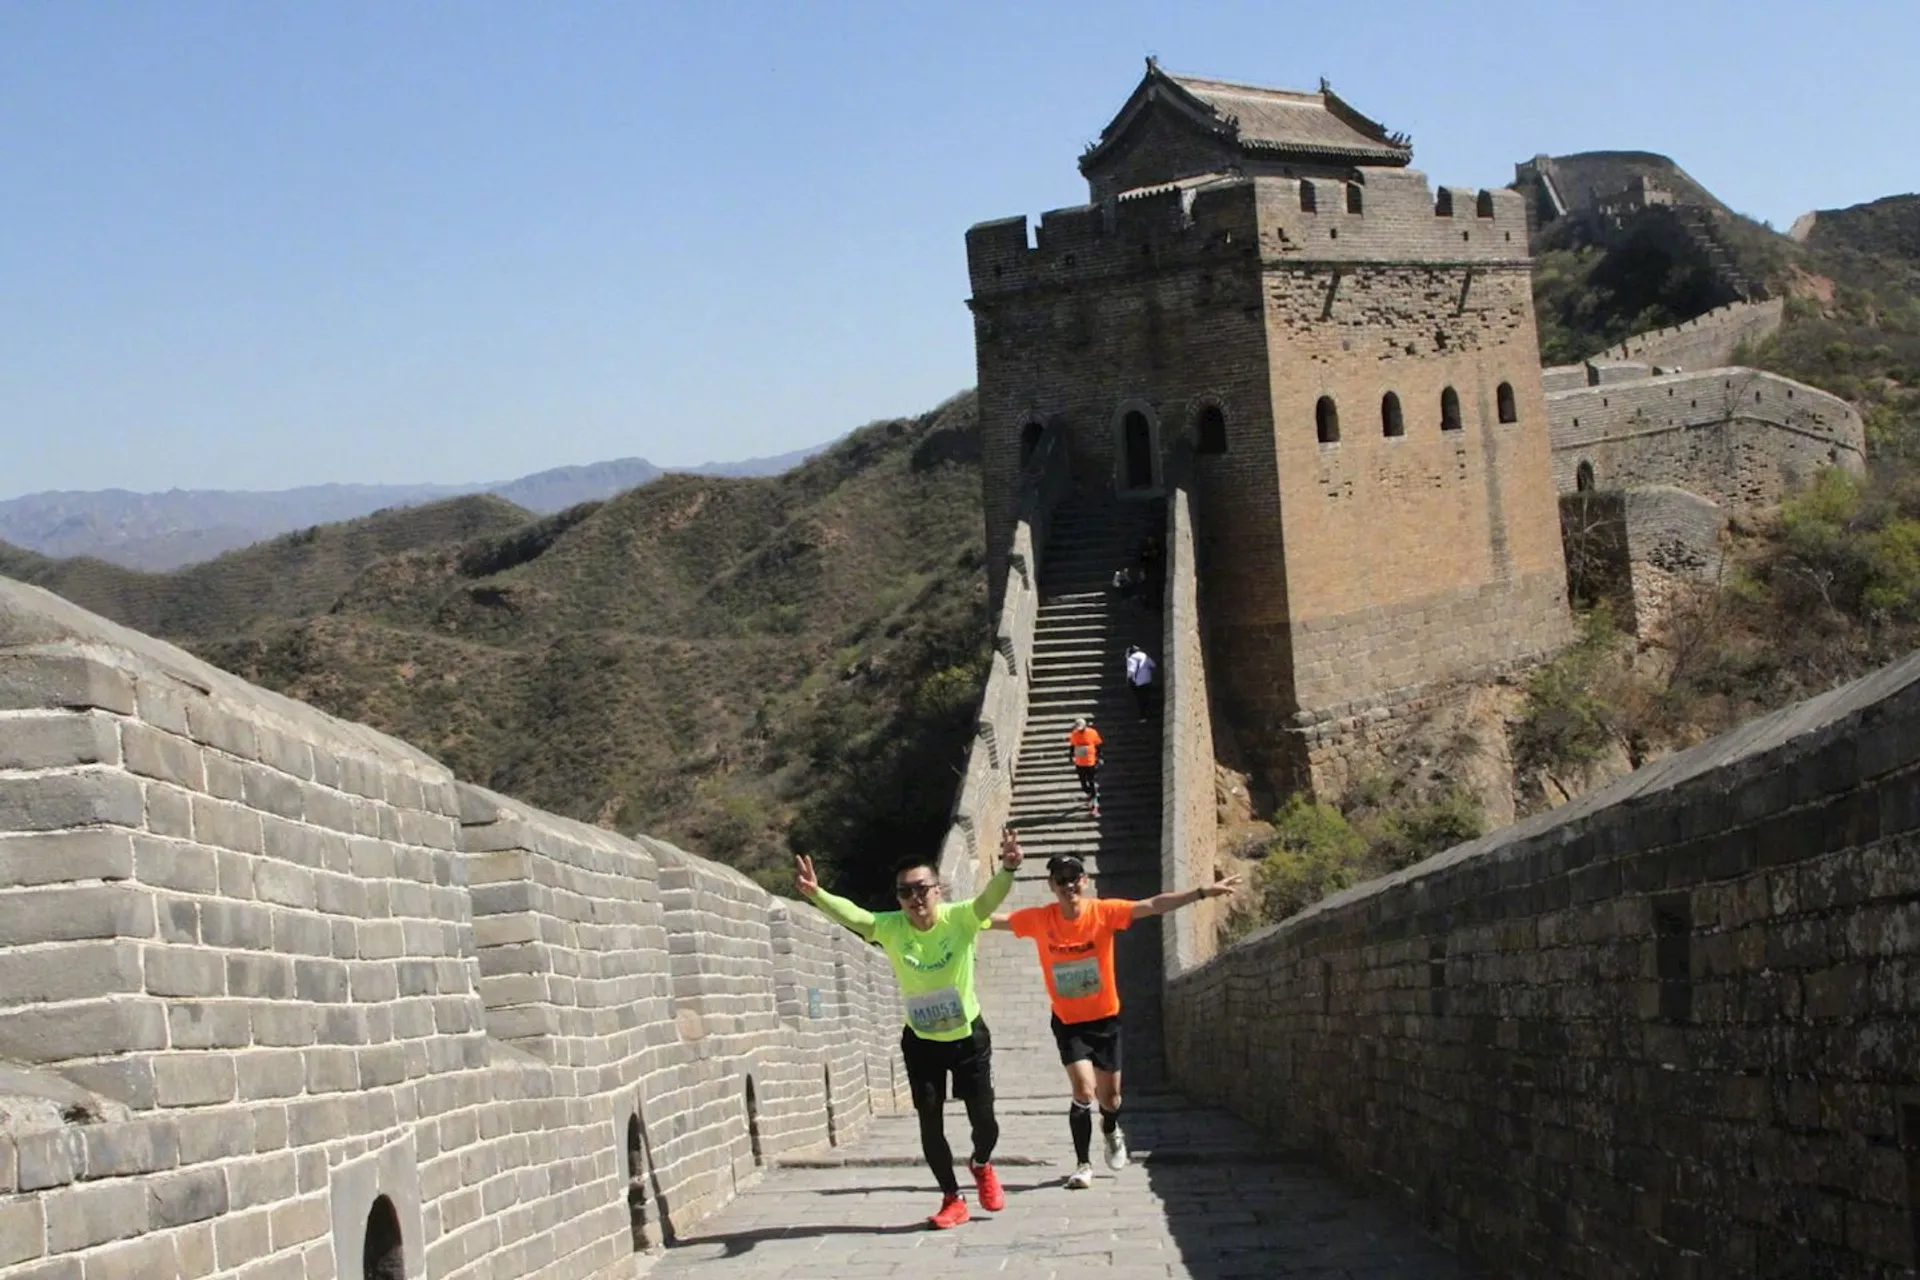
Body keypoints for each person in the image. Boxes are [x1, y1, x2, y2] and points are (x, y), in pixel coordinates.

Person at [795, 830, 1023, 1229]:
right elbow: (855, 916)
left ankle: (981, 1163)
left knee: (984, 1121)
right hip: (921, 1042)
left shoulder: (962, 918)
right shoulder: (891, 928)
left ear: (938, 890)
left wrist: (1007, 869)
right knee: (929, 1123)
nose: (915, 899)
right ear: (897, 898)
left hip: (969, 1037)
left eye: (922, 889)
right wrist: (817, 894)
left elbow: (990, 899)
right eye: (905, 892)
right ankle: (952, 1198)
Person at [989, 854, 1241, 1189]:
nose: (1068, 886)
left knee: (1112, 1099)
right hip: (1069, 1022)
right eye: (1060, 880)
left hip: (1105, 1020)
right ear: (1051, 886)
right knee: (1083, 1090)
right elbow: (996, 920)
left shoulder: (1103, 912)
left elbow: (1151, 905)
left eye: (1073, 878)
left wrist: (1200, 893)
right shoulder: (1040, 919)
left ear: (1085, 881)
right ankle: (1083, 1164)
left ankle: (1110, 1128)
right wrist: (948, 915)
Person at [1068, 716, 1103, 817]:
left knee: (1091, 781)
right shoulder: (1074, 734)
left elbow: (1098, 745)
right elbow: (1072, 746)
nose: (1079, 731)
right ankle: (1092, 794)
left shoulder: (1092, 733)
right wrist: (1070, 756)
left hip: (1090, 762)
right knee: (1083, 784)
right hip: (1080, 762)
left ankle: (1094, 802)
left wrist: (1100, 756)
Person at [1124, 645, 1156, 720]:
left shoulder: (1131, 658)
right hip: (1148, 680)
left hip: (1138, 682)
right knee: (1146, 697)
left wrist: (1128, 680)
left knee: (1140, 699)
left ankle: (1143, 716)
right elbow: (1153, 665)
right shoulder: (1144, 656)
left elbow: (1131, 672)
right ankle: (1149, 713)